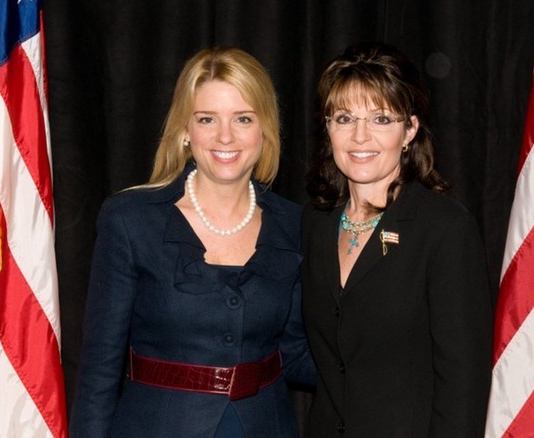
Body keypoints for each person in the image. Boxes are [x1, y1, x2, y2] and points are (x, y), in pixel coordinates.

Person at [69, 47, 315, 438]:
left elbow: (299, 352)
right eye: (207, 119)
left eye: (243, 118)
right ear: (186, 130)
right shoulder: (130, 219)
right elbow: (101, 366)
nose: (225, 136)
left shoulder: (295, 224)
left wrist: (384, 355)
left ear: (265, 128)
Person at [301, 41, 493, 437]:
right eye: (344, 118)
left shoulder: (444, 229)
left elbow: (464, 385)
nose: (359, 137)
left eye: (381, 119)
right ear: (327, 127)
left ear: (410, 130)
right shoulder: (316, 222)